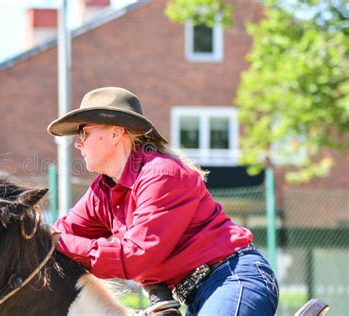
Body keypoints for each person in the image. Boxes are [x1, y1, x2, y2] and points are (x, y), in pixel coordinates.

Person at [47, 87, 279, 315]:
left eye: (84, 133)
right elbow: (59, 236)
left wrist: (57, 241)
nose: (78, 143)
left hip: (234, 279)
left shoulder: (161, 174)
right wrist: (37, 236)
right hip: (202, 293)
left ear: (116, 134)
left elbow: (135, 256)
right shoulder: (103, 191)